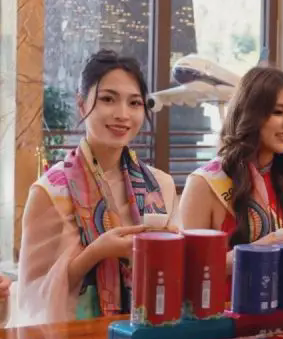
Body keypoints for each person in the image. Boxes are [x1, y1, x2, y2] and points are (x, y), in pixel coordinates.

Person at [17, 50, 178, 324]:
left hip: (149, 332)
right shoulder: (50, 192)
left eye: (134, 103)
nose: (122, 114)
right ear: (81, 105)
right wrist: (96, 252)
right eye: (107, 99)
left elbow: (176, 275)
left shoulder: (160, 185)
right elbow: (33, 296)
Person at [180, 66, 283, 291]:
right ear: (250, 114)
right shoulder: (205, 183)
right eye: (278, 112)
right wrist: (258, 252)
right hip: (227, 310)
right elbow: (189, 270)